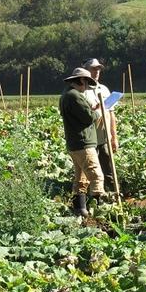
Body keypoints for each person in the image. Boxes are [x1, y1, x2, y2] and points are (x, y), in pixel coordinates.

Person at [59, 67, 105, 217]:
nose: (86, 87)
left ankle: (80, 209)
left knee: (81, 178)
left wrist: (90, 109)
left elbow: (81, 113)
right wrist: (98, 111)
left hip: (74, 143)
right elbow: (88, 117)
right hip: (83, 143)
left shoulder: (66, 95)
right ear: (81, 80)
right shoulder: (75, 96)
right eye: (86, 82)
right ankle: (99, 210)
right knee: (96, 176)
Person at [83, 58, 118, 191]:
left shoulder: (104, 89)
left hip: (105, 137)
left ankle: (112, 192)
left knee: (108, 167)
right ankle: (93, 195)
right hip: (91, 138)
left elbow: (111, 115)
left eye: (98, 69)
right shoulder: (83, 91)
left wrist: (114, 137)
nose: (96, 71)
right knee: (92, 169)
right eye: (93, 69)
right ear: (86, 71)